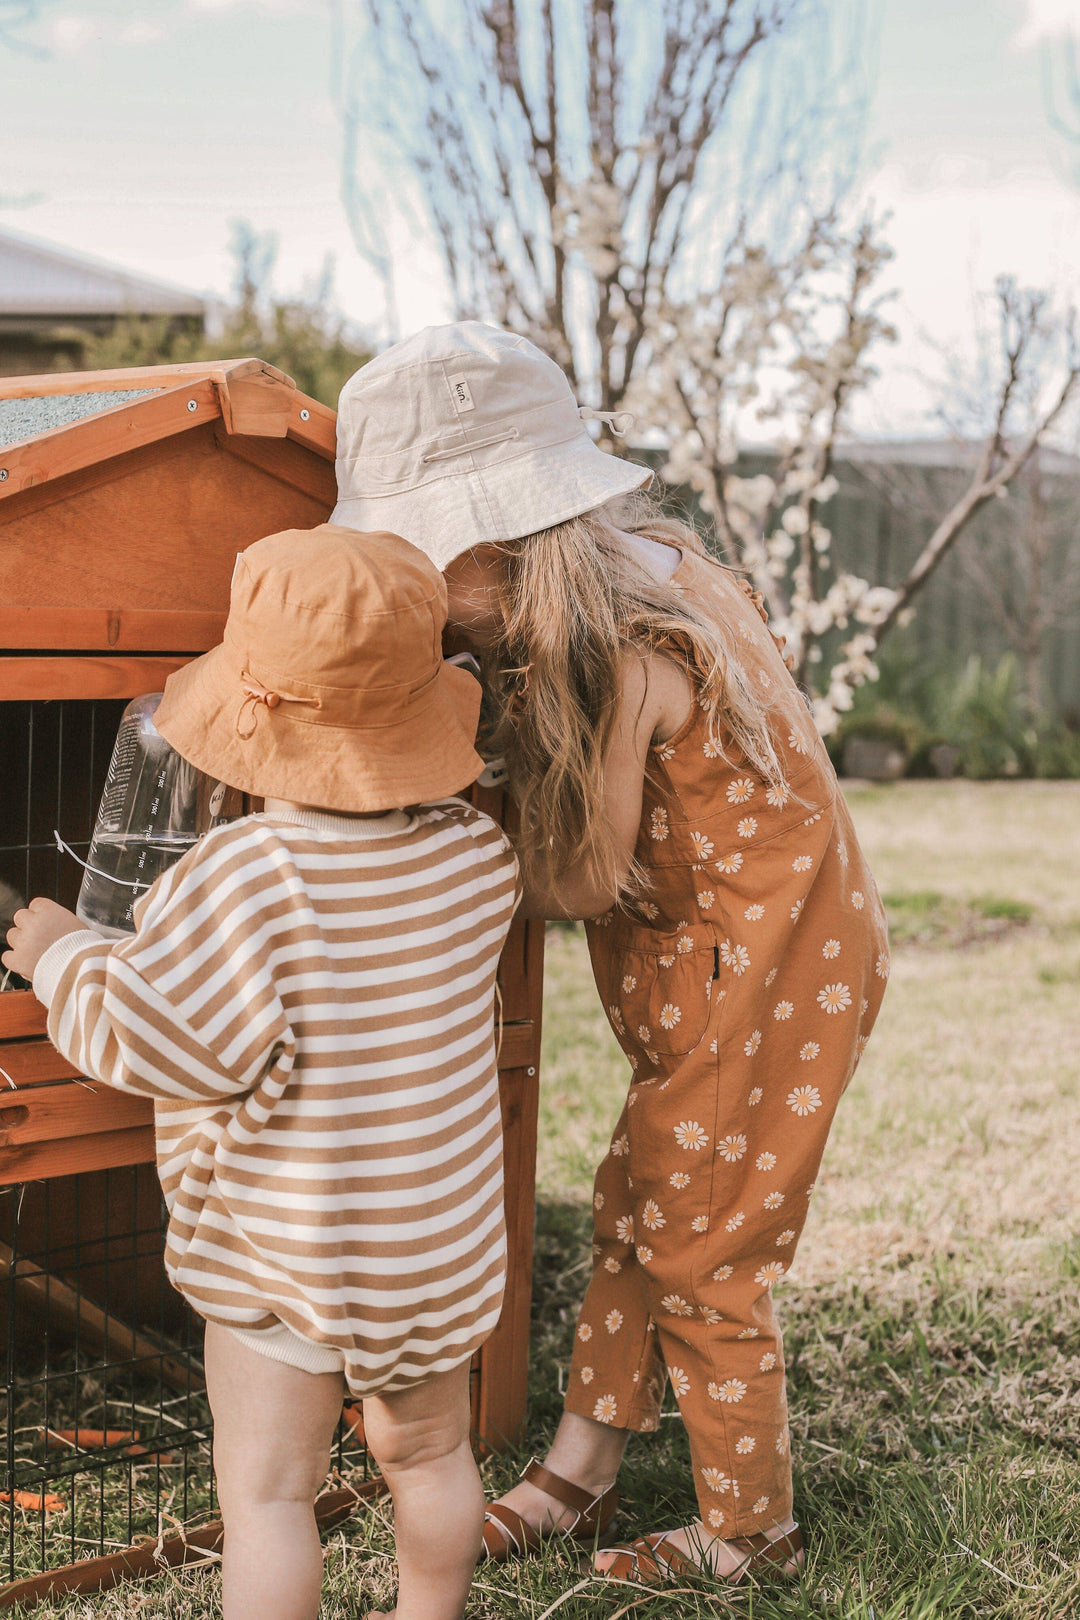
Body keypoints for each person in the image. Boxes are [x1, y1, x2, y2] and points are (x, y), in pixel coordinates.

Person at [328, 322, 890, 1585]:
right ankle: (578, 1474)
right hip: (782, 950)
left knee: (703, 1248)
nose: (429, 602)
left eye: (428, 567)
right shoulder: (668, 566)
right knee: (643, 1200)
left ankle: (753, 1535)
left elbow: (581, 878)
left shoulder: (618, 656)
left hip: (757, 980)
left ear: (495, 536)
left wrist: (461, 811)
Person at [3, 527, 520, 1620]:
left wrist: (63, 957)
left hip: (286, 1260)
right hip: (433, 1247)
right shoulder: (478, 859)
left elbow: (156, 1036)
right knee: (428, 1456)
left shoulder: (244, 880)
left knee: (271, 1494)